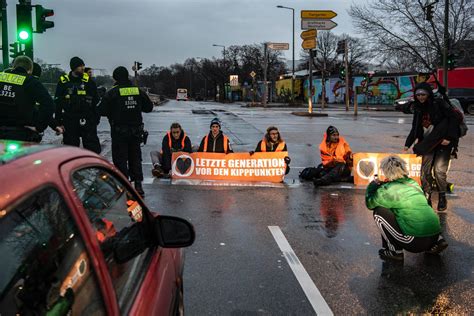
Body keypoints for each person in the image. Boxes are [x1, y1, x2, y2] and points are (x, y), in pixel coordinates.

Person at [365, 155, 448, 262]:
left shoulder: (387, 189)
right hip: (435, 234)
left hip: (415, 242)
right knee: (417, 208)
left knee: (379, 212)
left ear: (386, 172)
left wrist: (372, 186)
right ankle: (437, 241)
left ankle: (394, 251)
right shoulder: (413, 183)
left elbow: (370, 203)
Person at [403, 82, 462, 212]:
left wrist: (449, 138)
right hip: (427, 143)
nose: (420, 97)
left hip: (443, 142)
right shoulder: (418, 108)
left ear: (428, 94)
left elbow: (453, 119)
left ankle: (442, 197)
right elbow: (415, 127)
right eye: (418, 94)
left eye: (423, 94)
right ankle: (427, 196)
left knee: (439, 170)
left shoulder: (439, 104)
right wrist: (408, 143)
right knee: (425, 171)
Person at [100, 66, 153, 196]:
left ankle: (124, 186)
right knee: (135, 158)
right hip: (135, 132)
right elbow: (149, 107)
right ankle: (138, 186)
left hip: (119, 132)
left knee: (120, 159)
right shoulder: (137, 91)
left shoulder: (112, 92)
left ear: (116, 78)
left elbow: (101, 110)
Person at [0, 56, 55, 142]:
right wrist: (39, 127)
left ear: (14, 66)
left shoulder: (1, 77)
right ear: (30, 70)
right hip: (21, 133)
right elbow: (48, 104)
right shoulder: (31, 81)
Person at [54, 56, 101, 153]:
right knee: (71, 150)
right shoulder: (63, 82)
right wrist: (58, 122)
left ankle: (93, 167)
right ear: (73, 68)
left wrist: (95, 119)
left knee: (93, 149)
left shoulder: (89, 82)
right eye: (80, 66)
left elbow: (95, 101)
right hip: (70, 119)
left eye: (83, 65)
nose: (83, 68)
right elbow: (58, 103)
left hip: (87, 119)